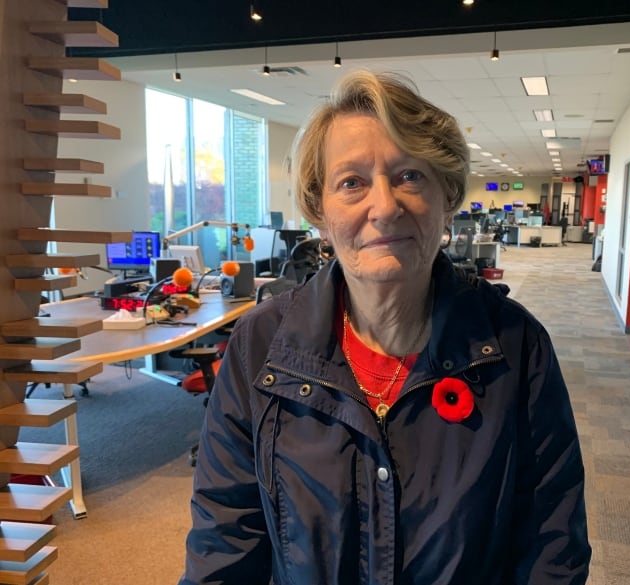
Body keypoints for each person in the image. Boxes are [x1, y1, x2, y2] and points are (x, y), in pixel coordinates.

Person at [179, 70, 591, 585]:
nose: (385, 206)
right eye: (351, 182)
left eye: (409, 176)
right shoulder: (260, 346)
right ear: (320, 211)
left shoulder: (516, 347)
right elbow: (224, 544)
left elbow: (552, 550)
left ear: (447, 198)